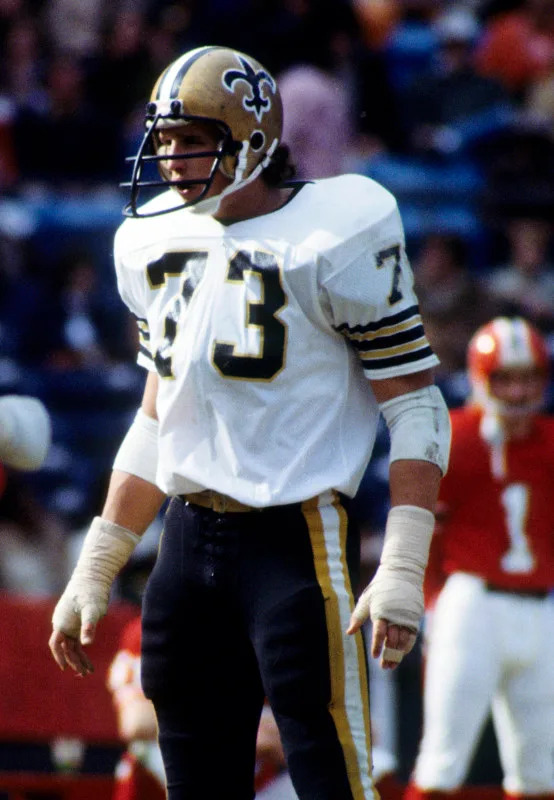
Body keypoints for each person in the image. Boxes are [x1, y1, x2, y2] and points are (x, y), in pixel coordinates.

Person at [48, 45, 450, 800]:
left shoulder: (338, 230)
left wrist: (402, 561)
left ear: (254, 140)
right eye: (163, 139)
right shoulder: (153, 240)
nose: (169, 158)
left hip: (294, 542)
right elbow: (156, 420)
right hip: (185, 542)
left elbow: (418, 404)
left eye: (192, 139)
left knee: (336, 782)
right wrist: (99, 562)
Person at [405, 316, 554, 800]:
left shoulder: (550, 440)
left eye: (527, 376)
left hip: (542, 605)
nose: (516, 391)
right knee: (442, 760)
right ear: (480, 378)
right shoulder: (455, 435)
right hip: (471, 604)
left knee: (541, 771)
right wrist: (430, 600)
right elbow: (418, 524)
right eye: (505, 378)